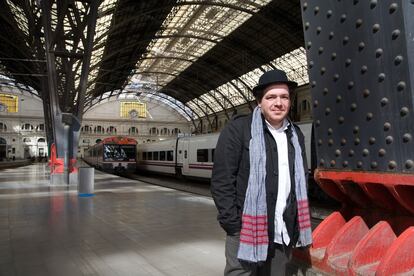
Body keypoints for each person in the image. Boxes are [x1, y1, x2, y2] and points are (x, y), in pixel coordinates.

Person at [211, 69, 312, 276]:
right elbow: (222, 180)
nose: (278, 103)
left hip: (282, 230)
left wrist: (296, 222)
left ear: (290, 101)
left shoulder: (296, 134)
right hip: (246, 228)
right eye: (271, 97)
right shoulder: (239, 130)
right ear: (260, 101)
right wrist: (233, 225)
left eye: (284, 97)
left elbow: (301, 178)